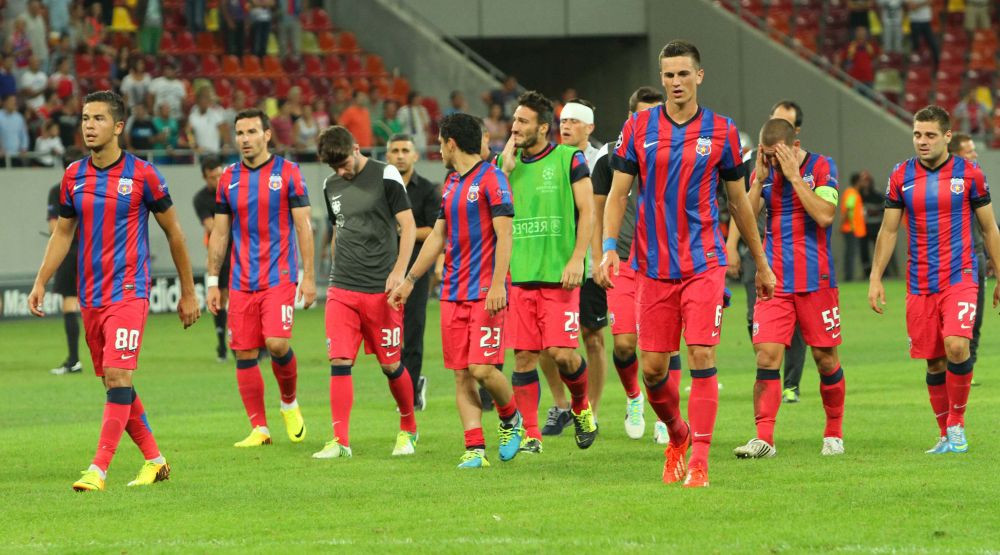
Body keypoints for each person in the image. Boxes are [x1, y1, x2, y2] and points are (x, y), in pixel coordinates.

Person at [601, 40, 775, 488]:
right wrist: (606, 247)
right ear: (661, 78)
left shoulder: (722, 132)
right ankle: (677, 435)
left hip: (704, 261)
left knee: (700, 353)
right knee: (653, 369)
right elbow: (619, 194)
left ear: (699, 76)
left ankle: (699, 459)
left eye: (683, 74)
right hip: (651, 266)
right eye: (668, 75)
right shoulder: (638, 127)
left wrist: (761, 265)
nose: (676, 82)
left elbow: (739, 203)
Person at [27, 90, 200, 491]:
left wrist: (189, 292)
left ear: (118, 126)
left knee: (119, 374)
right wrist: (41, 282)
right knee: (112, 381)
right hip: (91, 295)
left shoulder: (144, 174)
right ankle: (155, 461)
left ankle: (98, 469)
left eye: (98, 119)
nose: (88, 125)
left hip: (129, 290)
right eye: (85, 118)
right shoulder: (73, 175)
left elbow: (175, 233)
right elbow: (63, 233)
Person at [388, 112, 526, 468]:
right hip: (452, 291)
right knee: (462, 373)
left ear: (451, 143)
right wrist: (410, 280)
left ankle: (511, 418)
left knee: (482, 369)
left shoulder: (493, 179)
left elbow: (505, 234)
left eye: (439, 142)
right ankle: (475, 448)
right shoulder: (450, 183)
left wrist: (498, 283)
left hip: (485, 291)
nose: (438, 148)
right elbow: (438, 236)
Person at [868, 105, 1000, 455]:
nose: (922, 141)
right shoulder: (901, 175)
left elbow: (989, 228)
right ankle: (944, 433)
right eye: (917, 134)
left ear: (947, 137)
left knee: (958, 345)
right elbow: (889, 229)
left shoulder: (969, 173)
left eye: (929, 135)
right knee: (934, 360)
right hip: (920, 281)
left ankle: (957, 424)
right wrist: (876, 277)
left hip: (961, 275)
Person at [728, 119, 846, 459]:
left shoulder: (822, 167)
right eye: (767, 156)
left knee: (825, 359)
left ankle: (834, 432)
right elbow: (744, 219)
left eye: (777, 156)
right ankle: (764, 437)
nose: (773, 162)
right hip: (774, 281)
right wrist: (758, 183)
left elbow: (824, 216)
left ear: (795, 145)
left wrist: (794, 177)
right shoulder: (764, 172)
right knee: (766, 356)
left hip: (817, 282)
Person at [206, 108, 315, 448]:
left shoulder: (289, 173)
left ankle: (289, 402)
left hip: (279, 276)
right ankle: (260, 429)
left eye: (252, 132)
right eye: (240, 133)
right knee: (244, 352)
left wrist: (308, 276)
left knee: (277, 343)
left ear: (267, 135)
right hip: (240, 280)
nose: (245, 139)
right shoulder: (228, 178)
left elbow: (303, 226)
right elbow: (220, 234)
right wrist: (212, 281)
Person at [498, 90, 598, 453]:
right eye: (513, 121)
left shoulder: (568, 159)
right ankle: (531, 435)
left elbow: (588, 211)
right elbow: (496, 216)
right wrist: (504, 173)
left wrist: (577, 259)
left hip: (560, 276)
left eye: (523, 122)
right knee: (523, 357)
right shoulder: (504, 166)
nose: (514, 129)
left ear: (543, 128)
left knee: (562, 353)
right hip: (521, 276)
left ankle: (581, 406)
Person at [313, 125, 418, 459]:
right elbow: (340, 227)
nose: (340, 172)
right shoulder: (330, 184)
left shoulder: (385, 173)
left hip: (380, 290)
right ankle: (340, 441)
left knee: (390, 365)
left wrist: (399, 272)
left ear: (356, 148)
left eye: (344, 163)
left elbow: (409, 226)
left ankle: (408, 428)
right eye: (334, 168)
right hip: (342, 286)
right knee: (340, 361)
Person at [593, 86, 678, 443]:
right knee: (625, 344)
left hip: (664, 261)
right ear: (631, 118)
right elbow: (598, 210)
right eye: (644, 115)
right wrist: (602, 254)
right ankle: (634, 398)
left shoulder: (676, 151)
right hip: (624, 260)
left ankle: (666, 415)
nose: (651, 122)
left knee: (665, 346)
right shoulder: (609, 156)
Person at [728, 100, 808, 403]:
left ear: (795, 132)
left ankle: (791, 383)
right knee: (754, 317)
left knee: (798, 322)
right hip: (757, 250)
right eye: (772, 120)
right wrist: (731, 246)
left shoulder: (810, 165)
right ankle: (767, 368)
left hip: (795, 255)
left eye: (783, 123)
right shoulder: (752, 161)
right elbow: (740, 207)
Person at [537, 98, 604, 436]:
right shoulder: (547, 159)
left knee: (592, 337)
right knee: (545, 343)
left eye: (575, 121)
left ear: (589, 127)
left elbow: (597, 213)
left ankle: (591, 408)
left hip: (587, 265)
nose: (566, 126)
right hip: (549, 263)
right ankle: (561, 404)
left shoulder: (599, 161)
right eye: (563, 120)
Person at [387, 133, 440, 410]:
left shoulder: (429, 189)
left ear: (415, 155)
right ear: (387, 156)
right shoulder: (382, 189)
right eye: (394, 150)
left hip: (416, 270)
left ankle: (411, 386)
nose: (399, 155)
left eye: (405, 150)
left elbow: (434, 230)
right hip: (386, 268)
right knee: (388, 331)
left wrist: (402, 230)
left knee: (413, 328)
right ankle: (405, 382)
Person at [948, 133, 989, 373]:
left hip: (977, 254)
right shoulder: (940, 182)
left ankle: (968, 367)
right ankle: (950, 366)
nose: (975, 155)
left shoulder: (976, 179)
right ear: (955, 154)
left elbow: (988, 225)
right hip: (946, 259)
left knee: (976, 318)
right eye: (969, 151)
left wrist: (992, 256)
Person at [192, 155, 231, 361]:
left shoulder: (233, 190)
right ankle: (223, 346)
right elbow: (212, 228)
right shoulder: (202, 199)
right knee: (222, 298)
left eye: (219, 175)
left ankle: (256, 345)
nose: (217, 180)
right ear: (204, 177)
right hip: (221, 252)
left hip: (242, 249)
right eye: (212, 177)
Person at [46, 177, 81, 374]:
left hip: (69, 250)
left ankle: (74, 360)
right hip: (96, 249)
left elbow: (54, 228)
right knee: (102, 304)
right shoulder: (95, 183)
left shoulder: (58, 189)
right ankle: (112, 359)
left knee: (69, 303)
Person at [840, 173, 867, 281]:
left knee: (851, 254)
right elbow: (848, 210)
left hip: (853, 229)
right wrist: (845, 225)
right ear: (857, 182)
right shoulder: (852, 193)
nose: (863, 183)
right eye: (861, 180)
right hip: (851, 229)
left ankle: (849, 276)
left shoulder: (853, 193)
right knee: (850, 254)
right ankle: (849, 277)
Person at [906, 1, 938, 69]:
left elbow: (930, 2)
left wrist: (917, 5)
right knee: (915, 46)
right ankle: (914, 66)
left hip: (926, 21)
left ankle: (936, 66)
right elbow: (910, 6)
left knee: (933, 44)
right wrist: (923, 4)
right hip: (914, 21)